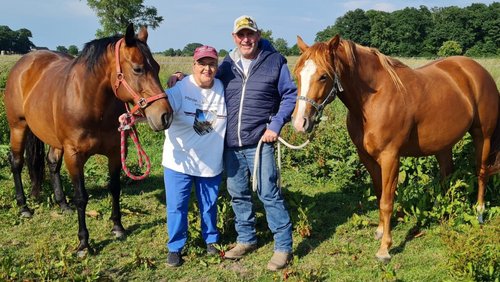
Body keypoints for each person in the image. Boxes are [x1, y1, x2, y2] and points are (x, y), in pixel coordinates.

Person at [219, 15, 297, 271]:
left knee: (268, 193)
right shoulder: (227, 65)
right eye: (241, 35)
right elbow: (207, 85)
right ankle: (246, 239)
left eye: (250, 34)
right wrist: (181, 79)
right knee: (238, 194)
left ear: (258, 35)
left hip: (259, 142)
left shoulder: (274, 61)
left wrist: (275, 126)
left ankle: (283, 247)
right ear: (234, 38)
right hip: (231, 144)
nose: (246, 39)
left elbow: (289, 95)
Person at [162, 45, 226, 267]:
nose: (207, 69)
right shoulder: (180, 88)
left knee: (209, 204)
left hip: (210, 161)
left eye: (212, 64)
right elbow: (158, 107)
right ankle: (175, 247)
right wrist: (131, 117)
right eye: (202, 63)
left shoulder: (222, 87)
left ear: (217, 67)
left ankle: (211, 240)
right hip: (179, 160)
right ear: (193, 65)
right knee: (177, 206)